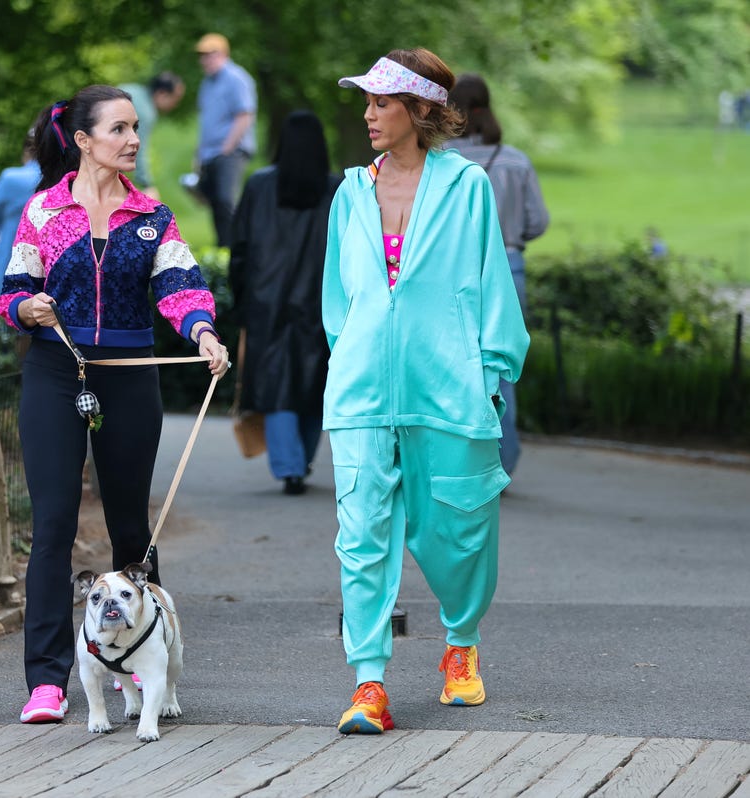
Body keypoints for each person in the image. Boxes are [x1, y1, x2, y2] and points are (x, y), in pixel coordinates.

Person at [0, 85, 230, 725]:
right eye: (120, 129)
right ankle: (47, 682)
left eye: (134, 129)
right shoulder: (43, 212)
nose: (132, 140)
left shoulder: (153, 217)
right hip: (55, 371)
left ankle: (143, 668)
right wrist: (27, 307)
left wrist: (203, 333)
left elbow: (181, 287)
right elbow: (12, 291)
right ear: (82, 139)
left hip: (129, 376)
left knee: (132, 528)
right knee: (54, 527)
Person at [324, 49, 529, 734]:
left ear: (419, 110)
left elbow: (491, 283)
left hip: (447, 387)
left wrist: (492, 372)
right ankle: (369, 683)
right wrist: (351, 354)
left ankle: (461, 645)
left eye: (383, 102)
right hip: (360, 393)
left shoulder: (466, 187)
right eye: (368, 102)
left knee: (460, 530)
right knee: (361, 536)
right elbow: (337, 299)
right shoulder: (350, 191)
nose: (369, 114)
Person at [228, 111, 341, 495]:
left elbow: (239, 247)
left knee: (277, 387)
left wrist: (240, 299)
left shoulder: (260, 186)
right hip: (321, 302)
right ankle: (301, 462)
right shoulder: (336, 189)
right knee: (314, 385)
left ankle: (289, 467)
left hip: (266, 301)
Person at [446, 73, 549, 476]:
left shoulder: (442, 162)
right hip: (509, 264)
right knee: (502, 363)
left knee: (456, 362)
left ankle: (465, 460)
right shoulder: (514, 160)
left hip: (455, 269)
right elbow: (538, 221)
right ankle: (504, 461)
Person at [194, 32, 257, 248]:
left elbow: (245, 115)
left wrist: (227, 148)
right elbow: (206, 122)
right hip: (210, 153)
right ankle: (223, 249)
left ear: (223, 54)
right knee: (215, 203)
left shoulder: (236, 77)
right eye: (202, 55)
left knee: (225, 200)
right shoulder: (206, 83)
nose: (204, 60)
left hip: (230, 152)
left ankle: (237, 248)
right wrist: (199, 155)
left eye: (209, 54)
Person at [0, 122, 43, 310]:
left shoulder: (11, 178)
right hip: (47, 265)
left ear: (27, 152)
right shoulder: (64, 179)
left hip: (10, 256)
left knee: (3, 308)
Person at [118, 71, 185, 199]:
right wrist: (146, 184)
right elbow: (138, 148)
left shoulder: (132, 89)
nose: (176, 104)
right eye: (175, 99)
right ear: (162, 94)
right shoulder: (145, 111)